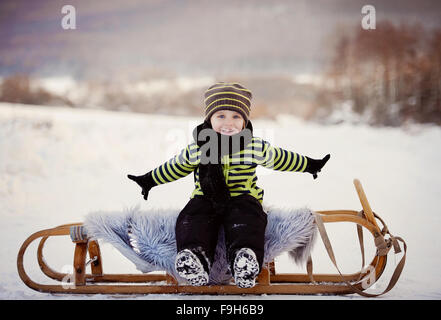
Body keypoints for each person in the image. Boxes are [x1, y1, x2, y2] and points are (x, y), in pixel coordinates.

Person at [127, 82, 330, 288]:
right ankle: (193, 258)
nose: (228, 123)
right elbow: (176, 166)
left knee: (249, 219)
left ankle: (245, 260)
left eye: (236, 116)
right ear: (209, 119)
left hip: (243, 197)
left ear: (244, 121)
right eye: (221, 116)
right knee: (191, 218)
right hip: (205, 197)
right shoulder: (198, 148)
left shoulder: (254, 146)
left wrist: (309, 165)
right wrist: (149, 179)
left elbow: (280, 158)